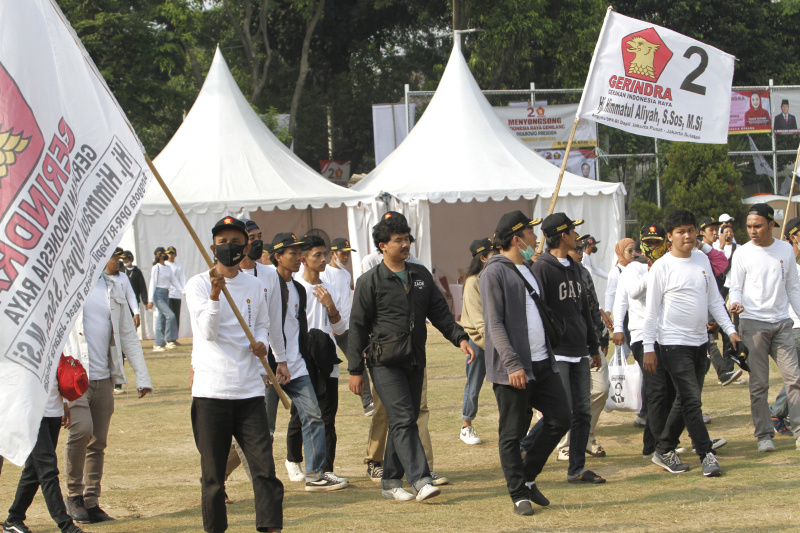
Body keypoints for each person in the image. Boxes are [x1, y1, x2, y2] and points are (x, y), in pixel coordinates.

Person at [347, 211, 474, 502]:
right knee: (404, 418)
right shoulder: (369, 281)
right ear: (382, 246)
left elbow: (440, 314)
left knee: (403, 419)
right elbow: (357, 328)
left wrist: (461, 338)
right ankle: (420, 479)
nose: (405, 245)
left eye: (407, 239)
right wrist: (356, 371)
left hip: (415, 360)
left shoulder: (421, 277)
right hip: (383, 362)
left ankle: (391, 481)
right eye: (398, 240)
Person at [185, 216, 284, 532]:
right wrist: (215, 296)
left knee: (264, 469)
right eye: (222, 242)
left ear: (246, 246)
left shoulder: (255, 284)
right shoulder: (199, 284)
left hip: (249, 391)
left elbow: (262, 326)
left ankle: (269, 526)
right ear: (213, 247)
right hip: (211, 391)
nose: (229, 247)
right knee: (213, 476)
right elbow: (207, 333)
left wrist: (262, 346)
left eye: (235, 242)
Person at [480, 210, 571, 516]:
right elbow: (494, 325)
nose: (536, 238)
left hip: (543, 362)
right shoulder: (493, 273)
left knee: (561, 417)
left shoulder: (530, 267)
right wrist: (512, 363)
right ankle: (518, 492)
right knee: (512, 432)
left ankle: (528, 476)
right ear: (517, 239)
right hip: (514, 369)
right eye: (531, 233)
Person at [643, 209, 742, 477]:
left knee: (687, 399)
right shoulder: (662, 267)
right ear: (669, 237)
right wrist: (648, 348)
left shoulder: (701, 259)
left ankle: (663, 449)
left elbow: (714, 300)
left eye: (690, 230)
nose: (687, 236)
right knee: (691, 401)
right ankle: (706, 454)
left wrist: (731, 331)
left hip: (700, 342)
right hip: (672, 344)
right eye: (680, 232)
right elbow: (650, 311)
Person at [63, 249, 153, 524]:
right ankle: (73, 496)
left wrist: (143, 375)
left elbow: (127, 333)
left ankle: (91, 501)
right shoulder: (68, 285)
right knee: (82, 431)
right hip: (74, 376)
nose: (117, 260)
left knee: (98, 441)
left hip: (103, 376)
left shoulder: (112, 286)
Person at [265, 232, 347, 492]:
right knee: (264, 427)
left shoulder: (300, 288)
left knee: (316, 416)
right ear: (278, 257)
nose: (298, 257)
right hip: (271, 364)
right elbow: (268, 325)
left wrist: (298, 357)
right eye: (293, 252)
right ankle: (280, 466)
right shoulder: (270, 285)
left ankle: (316, 474)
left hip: (302, 361)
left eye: (300, 252)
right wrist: (276, 360)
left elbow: (312, 327)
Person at [528, 213, 605, 484]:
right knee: (561, 411)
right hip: (557, 352)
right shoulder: (542, 268)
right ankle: (525, 447)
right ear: (563, 234)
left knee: (583, 410)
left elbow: (583, 308)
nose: (577, 236)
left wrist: (594, 344)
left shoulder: (574, 267)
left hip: (579, 350)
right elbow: (539, 313)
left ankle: (577, 469)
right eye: (573, 231)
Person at [728, 203, 800, 453]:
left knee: (795, 379)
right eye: (749, 226)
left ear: (772, 224)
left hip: (782, 324)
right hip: (753, 325)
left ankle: (799, 432)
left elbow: (793, 287)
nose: (752, 231)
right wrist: (734, 303)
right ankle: (764, 436)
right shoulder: (742, 253)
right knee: (759, 384)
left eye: (757, 226)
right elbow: (734, 287)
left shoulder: (785, 250)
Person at [223, 218, 287, 489]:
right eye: (250, 236)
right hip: (229, 367)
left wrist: (280, 359)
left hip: (260, 365)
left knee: (261, 433)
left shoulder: (270, 274)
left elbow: (271, 321)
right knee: (243, 436)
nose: (255, 241)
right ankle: (220, 479)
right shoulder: (222, 277)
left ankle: (218, 478)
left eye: (259, 235)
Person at [290, 235, 350, 484]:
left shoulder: (331, 288)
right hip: (302, 360)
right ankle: (294, 460)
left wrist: (330, 305)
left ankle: (326, 468)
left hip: (327, 359)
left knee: (327, 416)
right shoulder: (294, 289)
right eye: (318, 255)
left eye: (326, 254)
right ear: (304, 259)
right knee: (300, 414)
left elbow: (341, 328)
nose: (324, 259)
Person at [3, 382, 86, 533]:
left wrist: (65, 402)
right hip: (30, 412)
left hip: (53, 409)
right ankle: (66, 525)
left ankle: (14, 518)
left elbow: (57, 371)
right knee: (48, 470)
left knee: (34, 471)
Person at [459, 237, 495, 445]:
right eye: (492, 254)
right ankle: (466, 427)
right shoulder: (473, 281)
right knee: (474, 384)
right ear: (482, 258)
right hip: (478, 342)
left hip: (495, 341)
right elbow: (478, 319)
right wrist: (493, 345)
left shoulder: (492, 278)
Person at [698, 217, 742, 386]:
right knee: (709, 337)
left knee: (725, 332)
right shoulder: (699, 253)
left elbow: (722, 264)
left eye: (717, 229)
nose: (716, 233)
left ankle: (727, 369)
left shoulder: (714, 250)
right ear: (701, 233)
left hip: (716, 297)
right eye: (711, 230)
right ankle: (723, 372)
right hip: (704, 301)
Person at [770, 217, 800, 436]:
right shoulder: (789, 265)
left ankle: (778, 413)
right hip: (795, 326)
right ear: (792, 238)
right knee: (795, 376)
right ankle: (777, 413)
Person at [147, 247, 181, 352]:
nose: (166, 256)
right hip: (158, 294)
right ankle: (169, 340)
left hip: (166, 293)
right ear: (159, 255)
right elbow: (152, 283)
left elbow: (174, 281)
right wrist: (150, 299)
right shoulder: (156, 267)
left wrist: (183, 291)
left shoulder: (167, 268)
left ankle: (158, 344)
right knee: (170, 315)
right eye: (164, 254)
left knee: (161, 319)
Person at [122, 250, 149, 337]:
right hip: (123, 301)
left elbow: (142, 287)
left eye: (126, 259)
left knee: (134, 320)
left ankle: (133, 337)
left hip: (134, 301)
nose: (124, 261)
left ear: (131, 259)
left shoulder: (137, 272)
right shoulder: (121, 271)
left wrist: (145, 301)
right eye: (123, 259)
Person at [165, 246, 187, 340]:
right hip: (168, 294)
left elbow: (182, 278)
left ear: (175, 254)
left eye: (172, 253)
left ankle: (174, 338)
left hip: (177, 294)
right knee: (170, 317)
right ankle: (168, 337)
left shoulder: (178, 265)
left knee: (176, 316)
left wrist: (184, 291)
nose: (171, 255)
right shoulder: (165, 264)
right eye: (169, 253)